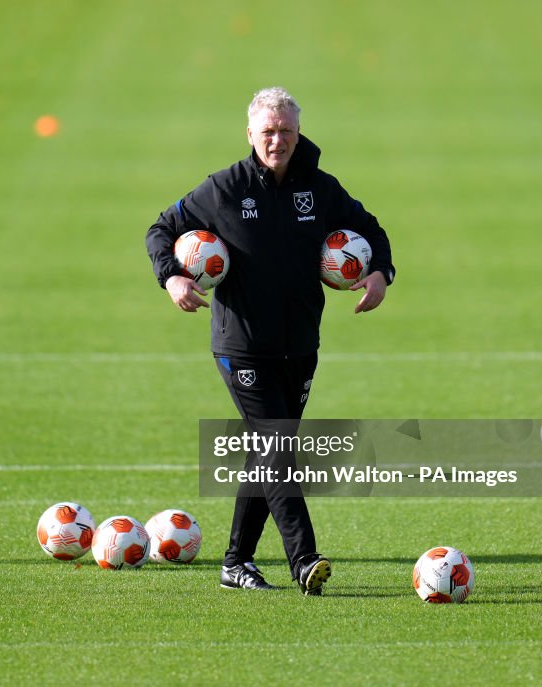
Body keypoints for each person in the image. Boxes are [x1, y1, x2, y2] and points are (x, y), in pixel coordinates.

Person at [145, 88, 394, 594]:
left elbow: (369, 228)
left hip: (300, 344)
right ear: (250, 135)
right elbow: (161, 228)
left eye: (285, 131)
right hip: (241, 345)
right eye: (268, 132)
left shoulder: (321, 190)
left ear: (298, 132)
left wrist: (380, 274)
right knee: (278, 448)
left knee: (268, 453)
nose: (277, 140)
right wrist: (172, 277)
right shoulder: (224, 188)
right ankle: (303, 558)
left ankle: (235, 562)